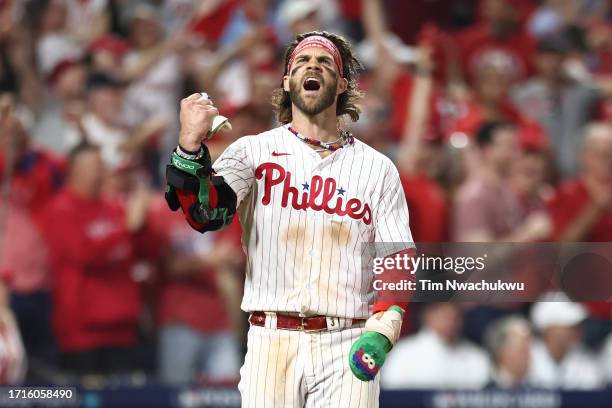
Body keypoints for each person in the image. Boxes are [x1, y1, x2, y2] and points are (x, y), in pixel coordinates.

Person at [168, 31, 414, 407]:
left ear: (342, 83)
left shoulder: (378, 169)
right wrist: (189, 146)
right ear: (286, 81)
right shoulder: (253, 151)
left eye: (324, 62)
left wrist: (382, 330)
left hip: (346, 339)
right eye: (301, 61)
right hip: (272, 339)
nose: (312, 65)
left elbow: (398, 258)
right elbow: (205, 215)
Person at [37, 143, 142, 377]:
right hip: (82, 331)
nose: (101, 171)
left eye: (101, 165)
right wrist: (126, 229)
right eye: (94, 166)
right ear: (74, 170)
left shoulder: (115, 207)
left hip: (121, 326)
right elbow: (83, 255)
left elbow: (141, 251)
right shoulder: (59, 210)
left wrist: (145, 222)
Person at [381, 303, 489, 389]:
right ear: (427, 316)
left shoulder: (476, 356)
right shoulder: (403, 352)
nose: (450, 322)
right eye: (444, 315)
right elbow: (393, 395)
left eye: (455, 316)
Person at [528, 293, 604, 389]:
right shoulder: (525, 357)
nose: (576, 330)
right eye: (569, 325)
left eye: (578, 325)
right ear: (548, 329)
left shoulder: (585, 360)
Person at [484, 316, 533, 389]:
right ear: (502, 353)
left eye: (529, 350)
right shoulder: (485, 395)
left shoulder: (538, 392)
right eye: (523, 351)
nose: (529, 356)